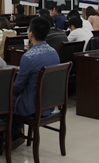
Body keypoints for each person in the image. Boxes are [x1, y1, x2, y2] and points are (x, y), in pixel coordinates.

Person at [13, 17, 60, 145]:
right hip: (49, 103)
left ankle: (14, 136)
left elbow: (18, 86)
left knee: (8, 97)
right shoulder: (54, 52)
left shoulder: (28, 57)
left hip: (31, 105)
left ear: (31, 34)